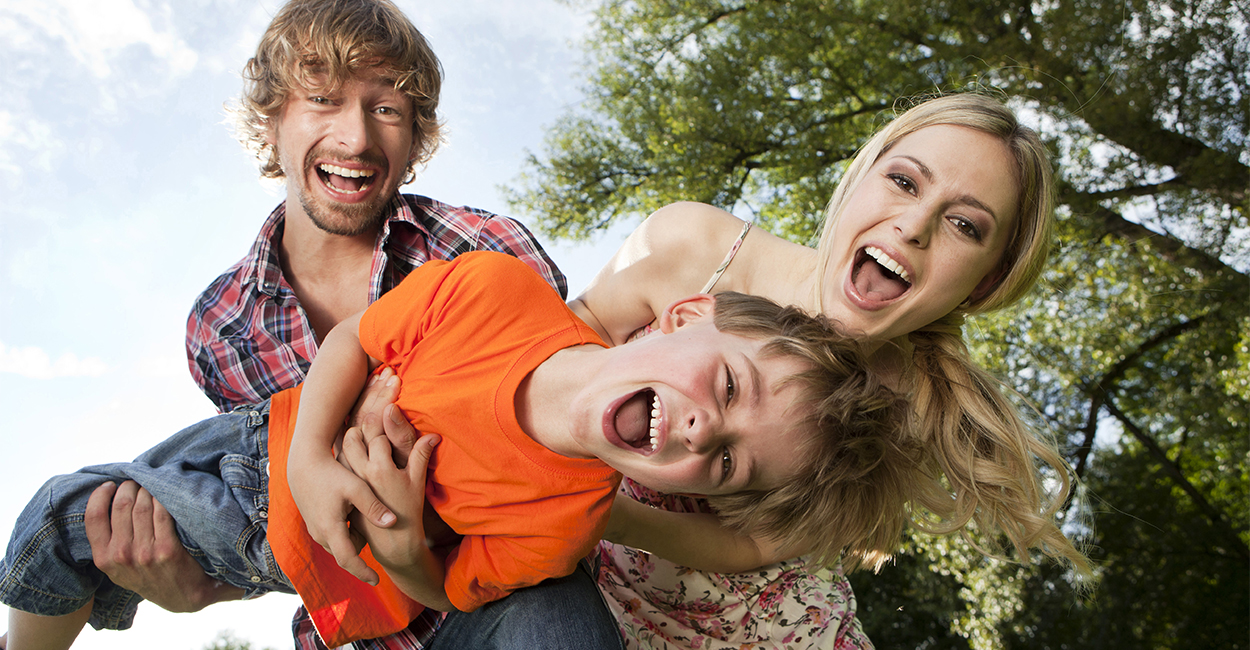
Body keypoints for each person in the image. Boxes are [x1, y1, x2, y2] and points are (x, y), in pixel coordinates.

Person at [0, 252, 909, 650]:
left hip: (293, 569)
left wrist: (404, 556)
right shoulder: (495, 291)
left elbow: (458, 588)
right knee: (64, 519)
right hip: (259, 467)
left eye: (727, 465)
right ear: (686, 317)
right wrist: (315, 458)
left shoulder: (573, 520)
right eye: (730, 388)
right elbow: (354, 339)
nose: (709, 429)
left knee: (93, 540)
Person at [81, 0, 595, 648]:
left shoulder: (484, 250)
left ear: (415, 138)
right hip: (359, 628)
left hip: (504, 601)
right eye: (323, 99)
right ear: (272, 121)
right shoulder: (220, 328)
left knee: (552, 608)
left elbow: (560, 458)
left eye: (385, 108)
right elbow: (276, 518)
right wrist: (199, 589)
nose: (355, 138)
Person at [564, 93, 1092, 648]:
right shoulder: (696, 247)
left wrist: (610, 518)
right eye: (905, 182)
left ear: (985, 282)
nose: (914, 225)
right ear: (860, 175)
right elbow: (566, 346)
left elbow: (757, 546)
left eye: (964, 224)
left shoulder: (909, 403)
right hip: (571, 575)